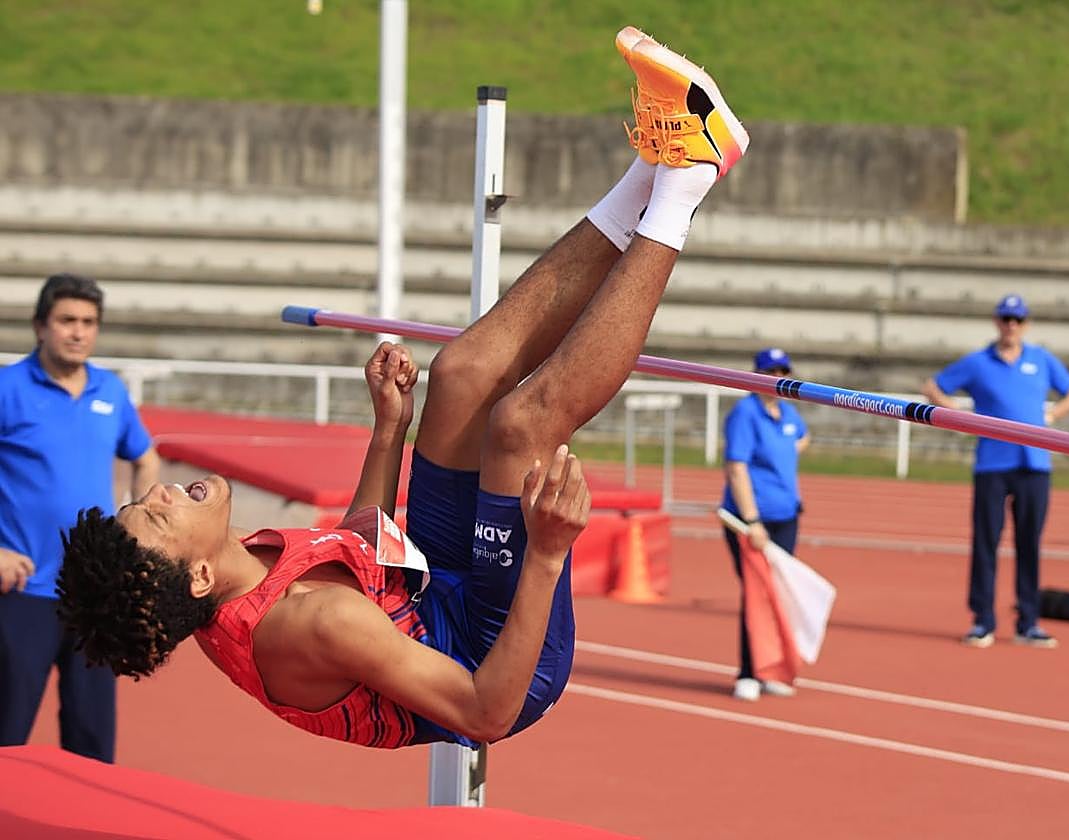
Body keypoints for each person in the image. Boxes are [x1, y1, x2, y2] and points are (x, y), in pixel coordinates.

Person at [56, 26, 750, 749]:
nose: (160, 492)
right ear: (198, 577)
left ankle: (654, 163)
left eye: (143, 500)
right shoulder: (308, 624)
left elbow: (358, 554)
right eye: (158, 517)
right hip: (495, 659)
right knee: (518, 426)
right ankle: (690, 177)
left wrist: (389, 430)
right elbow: (484, 714)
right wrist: (543, 556)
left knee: (461, 373)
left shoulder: (237, 566)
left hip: (424, 586)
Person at [0, 273, 161, 763]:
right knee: (6, 733)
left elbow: (145, 456)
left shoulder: (110, 391)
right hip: (23, 591)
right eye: (66, 320)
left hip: (93, 594)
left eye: (89, 322)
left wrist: (141, 528)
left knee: (92, 743)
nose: (78, 332)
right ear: (40, 326)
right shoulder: (7, 389)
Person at [921, 294, 1069, 649]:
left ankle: (1028, 621)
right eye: (1006, 319)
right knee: (985, 543)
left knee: (1029, 545)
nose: (1011, 325)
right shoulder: (979, 362)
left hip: (1034, 465)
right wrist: (961, 417)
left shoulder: (1040, 359)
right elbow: (933, 386)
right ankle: (983, 620)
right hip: (993, 464)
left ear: (1026, 324)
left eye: (1018, 320)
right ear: (997, 322)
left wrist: (1052, 416)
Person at [720, 347, 810, 702]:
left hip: (786, 516)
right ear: (756, 374)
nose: (777, 378)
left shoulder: (788, 413)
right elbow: (736, 467)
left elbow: (802, 437)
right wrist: (752, 519)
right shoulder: (745, 414)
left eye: (782, 371)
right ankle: (747, 672)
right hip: (751, 521)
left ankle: (771, 667)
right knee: (756, 594)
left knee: (778, 597)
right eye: (770, 371)